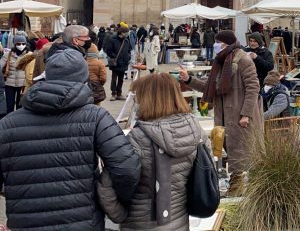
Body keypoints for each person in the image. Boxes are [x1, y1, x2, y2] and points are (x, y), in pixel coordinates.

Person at [0, 48, 140, 230]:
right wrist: (116, 201)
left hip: (25, 222)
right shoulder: (96, 117)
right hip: (83, 221)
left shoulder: (7, 124)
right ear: (83, 78)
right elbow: (126, 167)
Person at [98, 73, 208, 230]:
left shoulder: (136, 138)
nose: (136, 101)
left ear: (148, 99)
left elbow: (106, 188)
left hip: (140, 224)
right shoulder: (196, 132)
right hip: (180, 221)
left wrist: (119, 215)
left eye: (139, 96)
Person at [180, 31, 262, 178]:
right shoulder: (220, 61)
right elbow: (210, 87)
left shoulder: (243, 60)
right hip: (223, 115)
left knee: (240, 153)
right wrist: (188, 80)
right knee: (226, 149)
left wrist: (246, 114)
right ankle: (233, 184)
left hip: (239, 115)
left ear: (226, 44)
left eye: (218, 43)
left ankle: (238, 187)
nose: (215, 45)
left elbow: (253, 87)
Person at [0, 36, 31, 116]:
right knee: (9, 105)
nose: (21, 45)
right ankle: (8, 122)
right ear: (15, 44)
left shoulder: (29, 55)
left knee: (19, 106)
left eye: (23, 43)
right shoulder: (8, 54)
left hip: (22, 85)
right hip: (9, 84)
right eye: (19, 43)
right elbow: (0, 65)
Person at [106, 26, 132, 101]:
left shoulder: (126, 40)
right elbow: (108, 51)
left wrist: (128, 57)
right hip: (116, 63)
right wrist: (115, 57)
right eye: (126, 33)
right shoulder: (113, 40)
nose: (127, 34)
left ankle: (119, 93)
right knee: (114, 78)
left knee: (121, 79)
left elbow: (129, 50)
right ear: (121, 33)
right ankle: (113, 94)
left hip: (124, 63)